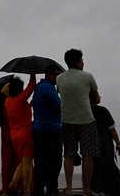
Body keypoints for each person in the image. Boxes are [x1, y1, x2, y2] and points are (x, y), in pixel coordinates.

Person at [56, 48, 100, 196]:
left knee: (68, 154)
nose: (83, 63)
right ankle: (86, 190)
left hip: (67, 119)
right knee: (88, 154)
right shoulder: (88, 76)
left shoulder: (59, 78)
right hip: (86, 119)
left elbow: (63, 94)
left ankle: (68, 188)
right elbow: (96, 99)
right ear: (77, 62)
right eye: (81, 60)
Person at [3, 75, 36, 196]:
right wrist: (32, 75)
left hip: (14, 135)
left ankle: (12, 185)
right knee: (28, 163)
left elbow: (20, 109)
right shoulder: (21, 99)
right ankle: (26, 191)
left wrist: (29, 106)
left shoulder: (8, 102)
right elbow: (31, 86)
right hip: (25, 134)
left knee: (22, 162)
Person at [32, 66, 62, 196]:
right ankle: (52, 189)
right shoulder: (48, 88)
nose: (58, 78)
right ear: (49, 74)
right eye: (57, 75)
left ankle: (38, 189)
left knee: (40, 162)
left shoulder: (39, 87)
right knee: (54, 162)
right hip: (50, 129)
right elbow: (59, 106)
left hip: (39, 129)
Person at [90, 93, 120, 196]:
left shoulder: (85, 112)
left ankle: (95, 188)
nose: (100, 97)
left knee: (94, 166)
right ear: (93, 97)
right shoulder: (102, 110)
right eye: (98, 95)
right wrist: (118, 143)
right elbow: (111, 129)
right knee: (108, 165)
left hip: (90, 142)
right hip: (104, 141)